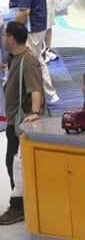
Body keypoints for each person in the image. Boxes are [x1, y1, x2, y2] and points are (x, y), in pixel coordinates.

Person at [0, 22, 42, 226]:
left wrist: (34, 112)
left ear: (11, 39)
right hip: (13, 121)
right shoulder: (15, 57)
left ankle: (19, 207)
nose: (2, 39)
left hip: (20, 124)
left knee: (15, 165)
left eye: (4, 35)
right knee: (12, 163)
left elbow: (35, 89)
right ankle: (21, 205)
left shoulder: (28, 60)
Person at [9, 0, 56, 104]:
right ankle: (48, 93)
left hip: (31, 28)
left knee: (35, 63)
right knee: (37, 60)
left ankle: (48, 94)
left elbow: (24, 11)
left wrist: (11, 27)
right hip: (40, 23)